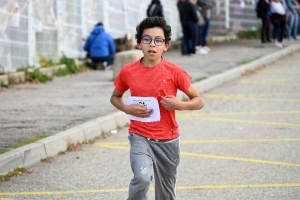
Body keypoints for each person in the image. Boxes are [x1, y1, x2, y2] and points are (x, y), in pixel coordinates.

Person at [110, 16, 204, 200]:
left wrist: (180, 105)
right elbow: (115, 97)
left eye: (158, 40)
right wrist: (128, 109)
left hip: (168, 140)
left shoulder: (174, 71)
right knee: (142, 178)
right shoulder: (128, 71)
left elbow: (199, 100)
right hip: (139, 135)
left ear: (165, 46)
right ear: (139, 43)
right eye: (147, 39)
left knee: (165, 193)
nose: (152, 44)